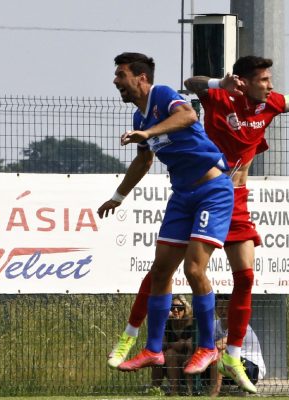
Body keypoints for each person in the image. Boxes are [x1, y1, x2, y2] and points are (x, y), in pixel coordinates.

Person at [107, 55, 289, 392]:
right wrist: (218, 83)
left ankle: (233, 355)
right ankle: (136, 338)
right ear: (244, 80)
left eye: (271, 79)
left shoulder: (272, 103)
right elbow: (191, 84)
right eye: (265, 79)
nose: (271, 85)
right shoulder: (221, 98)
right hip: (204, 189)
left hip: (230, 196)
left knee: (242, 276)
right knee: (165, 269)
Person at [98, 52, 234, 375]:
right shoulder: (139, 119)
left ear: (141, 78)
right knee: (160, 272)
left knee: (194, 269)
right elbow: (143, 162)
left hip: (211, 191)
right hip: (182, 195)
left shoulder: (161, 95)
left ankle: (207, 347)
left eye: (121, 75)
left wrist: (149, 133)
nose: (116, 81)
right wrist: (118, 196)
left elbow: (188, 116)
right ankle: (153, 350)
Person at [208, 294, 265, 397]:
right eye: (220, 308)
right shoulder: (214, 324)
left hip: (251, 369)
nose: (224, 311)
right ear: (215, 309)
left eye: (227, 308)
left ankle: (214, 392)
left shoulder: (240, 326)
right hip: (231, 367)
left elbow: (219, 345)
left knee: (220, 353)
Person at [151, 295, 194, 396]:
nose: (175, 310)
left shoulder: (191, 323)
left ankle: (178, 390)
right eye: (172, 307)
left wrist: (174, 345)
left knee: (170, 353)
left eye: (179, 308)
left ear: (185, 309)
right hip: (171, 360)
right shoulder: (168, 324)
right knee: (157, 357)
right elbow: (161, 344)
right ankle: (154, 389)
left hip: (188, 358)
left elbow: (189, 345)